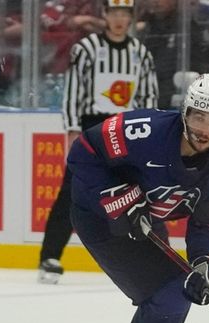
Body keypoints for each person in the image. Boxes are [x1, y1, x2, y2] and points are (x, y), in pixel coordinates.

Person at [67, 74, 209, 323]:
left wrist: (206, 264)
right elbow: (84, 150)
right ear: (185, 111)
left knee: (182, 285)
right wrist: (117, 198)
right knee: (171, 289)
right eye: (199, 116)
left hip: (146, 220)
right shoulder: (145, 130)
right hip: (98, 218)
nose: (205, 128)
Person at [38, 0, 159, 284]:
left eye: (124, 14)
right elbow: (72, 92)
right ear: (104, 15)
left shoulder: (140, 54)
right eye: (114, 13)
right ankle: (50, 256)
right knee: (72, 191)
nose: (119, 19)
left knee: (135, 194)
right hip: (93, 129)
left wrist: (149, 136)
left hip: (128, 130)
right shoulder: (87, 49)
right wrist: (72, 130)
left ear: (131, 18)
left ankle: (140, 258)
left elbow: (149, 99)